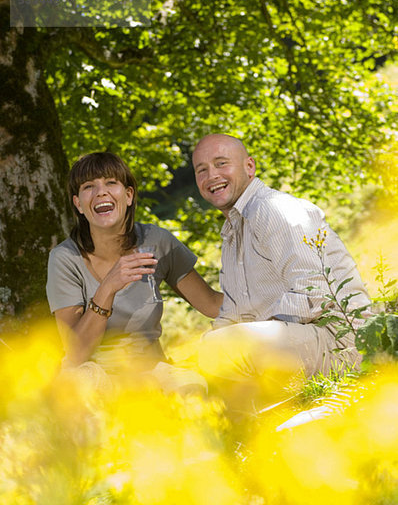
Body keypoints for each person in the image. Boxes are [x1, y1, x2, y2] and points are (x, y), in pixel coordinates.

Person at [192, 133, 372, 382]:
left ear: (249, 166)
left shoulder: (271, 209)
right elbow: (233, 313)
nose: (211, 175)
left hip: (339, 340)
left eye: (221, 163)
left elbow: (316, 293)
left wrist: (245, 336)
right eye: (201, 170)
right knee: (209, 351)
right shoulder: (233, 232)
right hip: (303, 341)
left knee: (224, 347)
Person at [46, 151, 223, 394]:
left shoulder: (157, 242)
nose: (101, 192)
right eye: (89, 186)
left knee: (193, 389)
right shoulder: (65, 258)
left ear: (128, 195)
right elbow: (76, 352)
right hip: (92, 372)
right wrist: (108, 287)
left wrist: (272, 286)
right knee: (78, 389)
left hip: (152, 370)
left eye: (111, 182)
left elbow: (213, 305)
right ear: (78, 204)